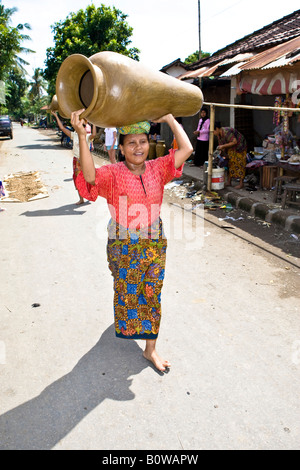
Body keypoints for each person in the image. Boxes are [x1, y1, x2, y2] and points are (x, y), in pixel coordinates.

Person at [71, 109, 193, 372]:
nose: (139, 147)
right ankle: (132, 326)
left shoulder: (159, 168)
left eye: (143, 141)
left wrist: (170, 119)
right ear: (122, 148)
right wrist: (82, 136)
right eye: (132, 142)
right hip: (123, 243)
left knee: (152, 293)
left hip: (154, 241)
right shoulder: (113, 173)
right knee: (127, 292)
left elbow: (187, 148)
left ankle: (151, 350)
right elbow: (90, 177)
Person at [51, 111, 96, 204]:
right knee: (77, 179)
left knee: (89, 179)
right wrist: (56, 115)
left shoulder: (87, 137)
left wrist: (94, 123)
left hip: (86, 161)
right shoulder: (74, 135)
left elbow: (94, 135)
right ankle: (81, 199)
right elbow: (62, 128)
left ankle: (90, 194)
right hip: (77, 160)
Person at [214, 122, 247, 190]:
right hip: (231, 148)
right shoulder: (219, 135)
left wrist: (223, 146)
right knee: (230, 163)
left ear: (217, 129)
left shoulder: (226, 132)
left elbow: (234, 142)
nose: (212, 133)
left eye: (213, 131)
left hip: (240, 147)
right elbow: (221, 145)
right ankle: (229, 181)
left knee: (240, 164)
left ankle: (241, 183)